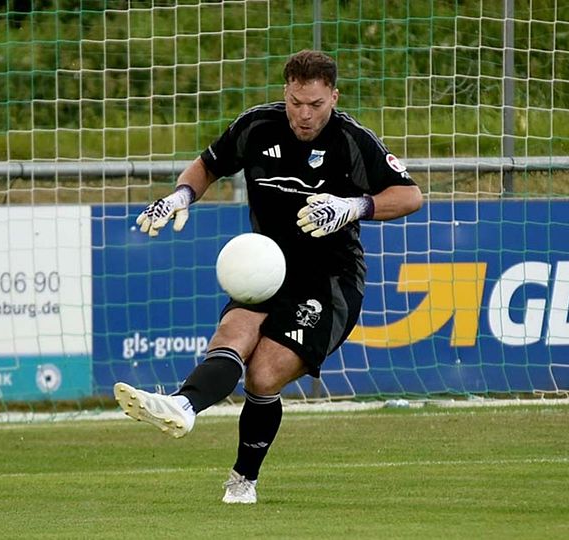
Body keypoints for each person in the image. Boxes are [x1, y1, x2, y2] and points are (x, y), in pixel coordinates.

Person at [113, 49, 423, 504]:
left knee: (263, 376)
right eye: (297, 101)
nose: (304, 113)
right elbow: (208, 165)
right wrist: (181, 195)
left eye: (315, 104)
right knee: (232, 332)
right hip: (267, 266)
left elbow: (410, 195)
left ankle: (243, 478)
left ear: (333, 97)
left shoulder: (352, 140)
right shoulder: (258, 126)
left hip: (330, 280)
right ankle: (182, 404)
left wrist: (355, 206)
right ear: (286, 93)